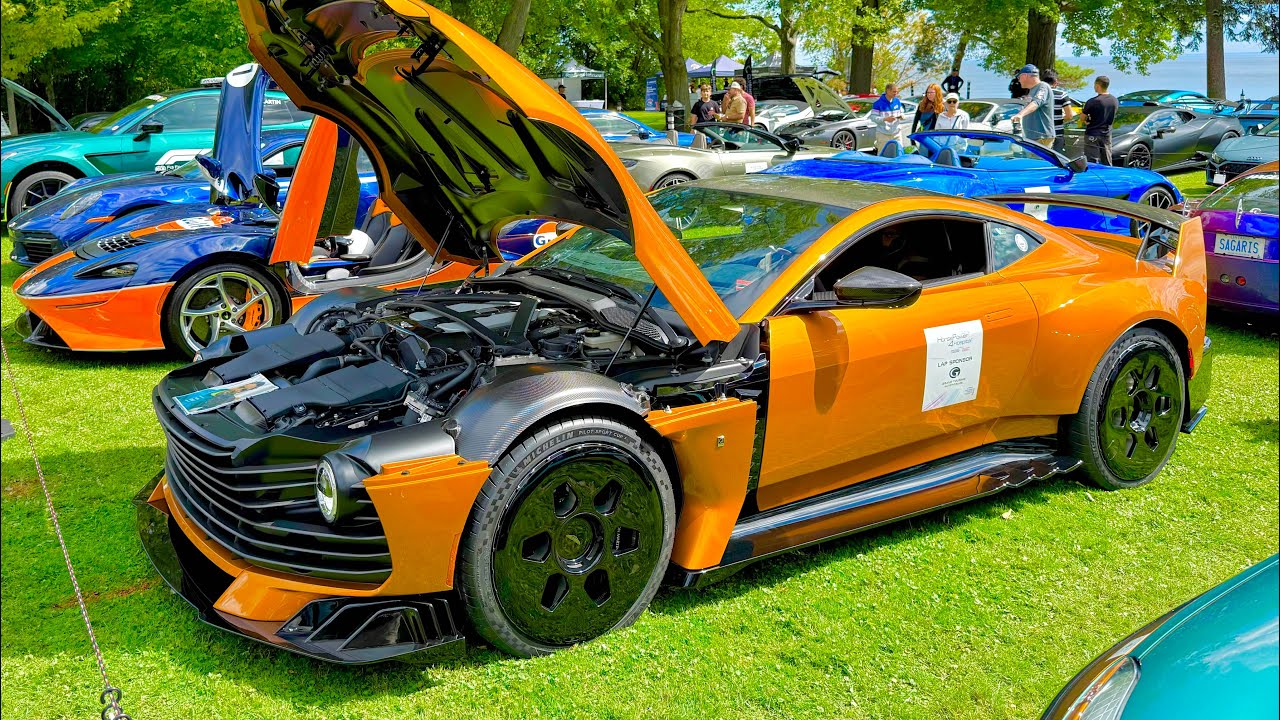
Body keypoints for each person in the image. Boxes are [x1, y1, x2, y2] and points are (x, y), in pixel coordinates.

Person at [1010, 64, 1055, 148]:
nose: (1019, 81)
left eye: (1019, 78)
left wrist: (1020, 115)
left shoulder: (1043, 87)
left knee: (1038, 161)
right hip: (1032, 138)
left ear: (1024, 76)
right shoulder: (1032, 90)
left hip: (1041, 138)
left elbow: (1036, 102)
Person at [1081, 75, 1118, 165]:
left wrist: (1086, 120)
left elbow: (1082, 118)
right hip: (1106, 134)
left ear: (1097, 85)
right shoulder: (1114, 100)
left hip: (1092, 134)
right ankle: (1108, 176)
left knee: (1092, 162)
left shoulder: (1092, 101)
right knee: (1107, 160)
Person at [1043, 68, 1076, 153]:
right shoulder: (1061, 95)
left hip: (1040, 134)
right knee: (1057, 159)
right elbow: (1069, 116)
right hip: (1057, 133)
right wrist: (1060, 119)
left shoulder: (1038, 94)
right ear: (1055, 81)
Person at [869, 83, 905, 153]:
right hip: (883, 134)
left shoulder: (897, 101)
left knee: (899, 153)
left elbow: (902, 112)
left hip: (896, 133)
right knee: (882, 154)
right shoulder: (877, 103)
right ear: (888, 91)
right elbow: (873, 117)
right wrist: (885, 119)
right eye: (894, 92)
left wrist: (902, 116)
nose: (896, 93)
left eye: (897, 92)